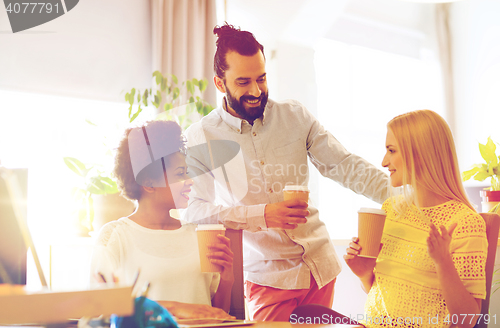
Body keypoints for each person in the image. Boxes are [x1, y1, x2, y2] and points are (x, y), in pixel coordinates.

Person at [181, 23, 389, 321]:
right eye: (243, 82)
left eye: (261, 79)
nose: (256, 91)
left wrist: (402, 194)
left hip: (320, 266)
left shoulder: (294, 116)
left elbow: (344, 166)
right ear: (219, 82)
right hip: (268, 278)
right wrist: (263, 214)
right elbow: (195, 210)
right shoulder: (202, 136)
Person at [344, 110, 487, 328]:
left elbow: (466, 321)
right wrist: (365, 274)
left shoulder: (465, 223)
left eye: (391, 151)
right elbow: (382, 293)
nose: (384, 162)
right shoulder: (391, 210)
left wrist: (443, 262)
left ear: (420, 154)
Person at [89, 120, 235, 320]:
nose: (189, 181)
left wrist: (227, 279)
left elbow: (218, 314)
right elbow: (99, 309)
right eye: (179, 174)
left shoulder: (197, 235)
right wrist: (176, 308)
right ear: (148, 182)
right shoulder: (115, 237)